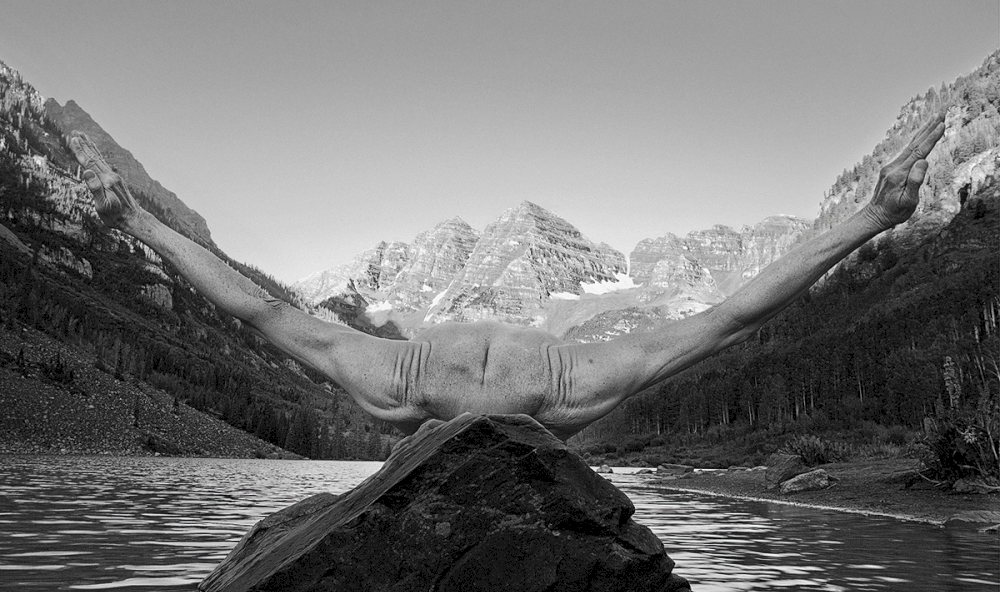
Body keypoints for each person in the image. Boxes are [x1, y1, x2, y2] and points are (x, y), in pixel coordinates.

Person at [68, 111, 946, 441]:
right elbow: (728, 319)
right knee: (714, 327)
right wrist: (870, 217)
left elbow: (260, 311)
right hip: (521, 404)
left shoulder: (401, 380)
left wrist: (139, 223)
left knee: (715, 327)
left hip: (462, 403)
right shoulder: (549, 384)